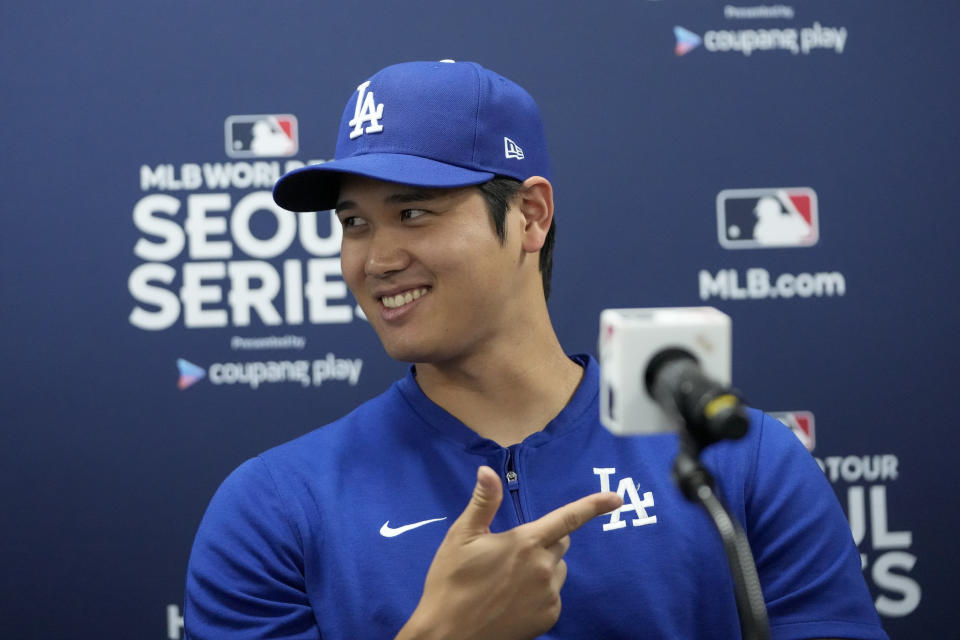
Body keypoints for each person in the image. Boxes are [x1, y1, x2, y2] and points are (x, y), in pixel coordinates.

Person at [184, 60, 888, 640]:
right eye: (353, 223)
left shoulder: (740, 464)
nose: (376, 258)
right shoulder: (274, 508)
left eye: (413, 212)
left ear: (530, 216)